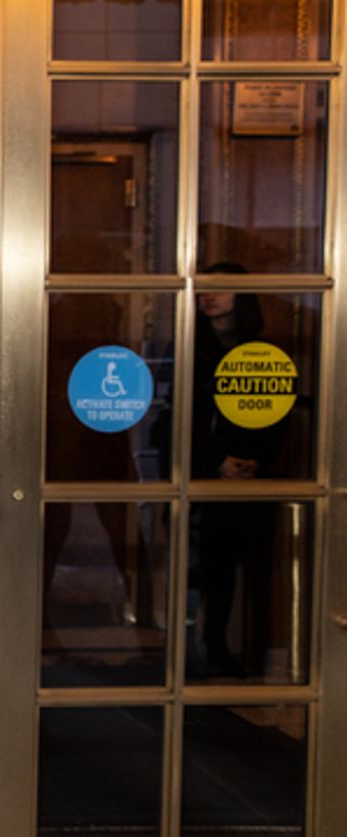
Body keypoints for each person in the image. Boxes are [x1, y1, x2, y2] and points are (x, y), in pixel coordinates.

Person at [188, 262, 281, 679]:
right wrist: (215, 461)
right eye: (204, 290)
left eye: (221, 288)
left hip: (252, 476)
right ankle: (205, 647)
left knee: (251, 566)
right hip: (201, 473)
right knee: (208, 566)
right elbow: (180, 418)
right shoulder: (189, 348)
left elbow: (276, 411)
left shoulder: (263, 353)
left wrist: (256, 460)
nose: (209, 297)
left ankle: (248, 651)